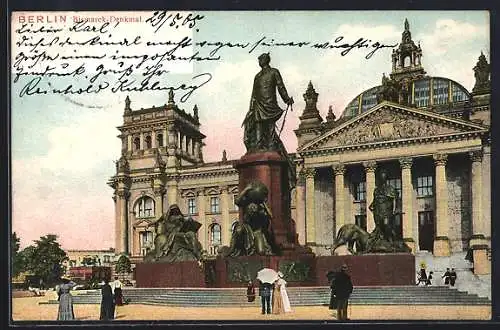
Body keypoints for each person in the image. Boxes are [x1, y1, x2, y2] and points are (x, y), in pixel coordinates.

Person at [243, 53, 294, 152]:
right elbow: (253, 94)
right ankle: (258, 146)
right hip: (259, 104)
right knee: (258, 124)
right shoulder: (257, 76)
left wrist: (286, 99)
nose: (259, 62)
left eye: (260, 59)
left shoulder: (274, 72)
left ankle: (271, 146)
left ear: (266, 60)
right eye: (259, 60)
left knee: (270, 125)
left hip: (270, 103)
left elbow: (280, 86)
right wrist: (251, 109)